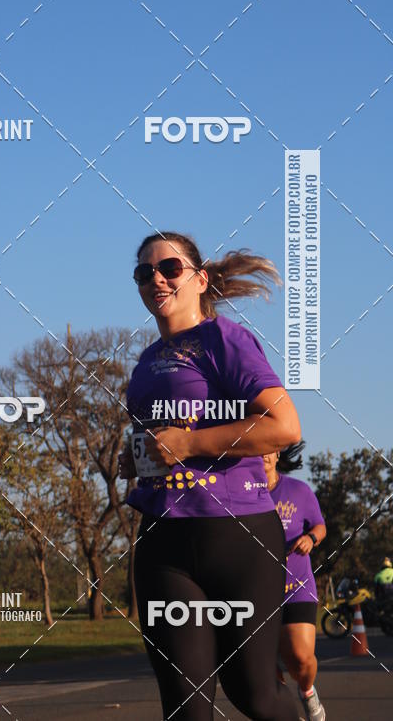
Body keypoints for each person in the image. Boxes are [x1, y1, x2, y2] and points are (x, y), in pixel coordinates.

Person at [118, 232, 301, 721]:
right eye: (144, 272)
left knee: (256, 696)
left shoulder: (225, 339)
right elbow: (161, 438)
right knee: (186, 708)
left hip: (239, 537)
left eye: (169, 268)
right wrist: (135, 457)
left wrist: (191, 443)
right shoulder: (145, 362)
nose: (155, 278)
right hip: (163, 544)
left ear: (199, 279)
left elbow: (284, 426)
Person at [263, 442, 327, 721]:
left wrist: (311, 538)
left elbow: (320, 526)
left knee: (300, 658)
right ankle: (286, 712)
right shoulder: (241, 495)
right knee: (264, 668)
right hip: (257, 593)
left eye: (269, 449)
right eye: (257, 449)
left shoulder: (298, 491)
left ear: (278, 453)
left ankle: (307, 691)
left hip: (296, 588)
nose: (263, 455)